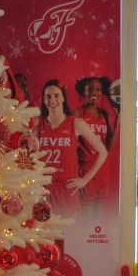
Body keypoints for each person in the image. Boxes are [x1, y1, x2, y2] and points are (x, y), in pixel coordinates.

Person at [36, 79, 107, 216]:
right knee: (43, 236)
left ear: (63, 98)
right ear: (44, 100)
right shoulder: (38, 125)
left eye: (56, 95)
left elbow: (102, 152)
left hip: (67, 189)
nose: (52, 100)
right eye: (48, 96)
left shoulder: (76, 123)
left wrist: (85, 179)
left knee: (69, 235)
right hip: (42, 190)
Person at [73, 76, 118, 205]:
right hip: (85, 168)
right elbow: (71, 145)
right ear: (84, 91)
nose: (94, 92)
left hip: (102, 169)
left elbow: (108, 147)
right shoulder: (77, 113)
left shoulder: (105, 115)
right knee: (87, 214)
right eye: (90, 89)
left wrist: (118, 120)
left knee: (99, 214)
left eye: (98, 89)